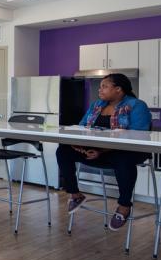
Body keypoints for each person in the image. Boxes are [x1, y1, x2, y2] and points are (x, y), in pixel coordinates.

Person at [56, 73, 152, 231]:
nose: (100, 90)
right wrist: (81, 147)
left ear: (118, 89)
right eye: (100, 86)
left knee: (123, 159)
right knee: (63, 151)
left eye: (104, 86)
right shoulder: (97, 105)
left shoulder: (136, 105)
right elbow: (82, 128)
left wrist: (101, 151)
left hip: (126, 150)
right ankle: (75, 194)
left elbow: (137, 137)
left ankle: (124, 206)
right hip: (97, 150)